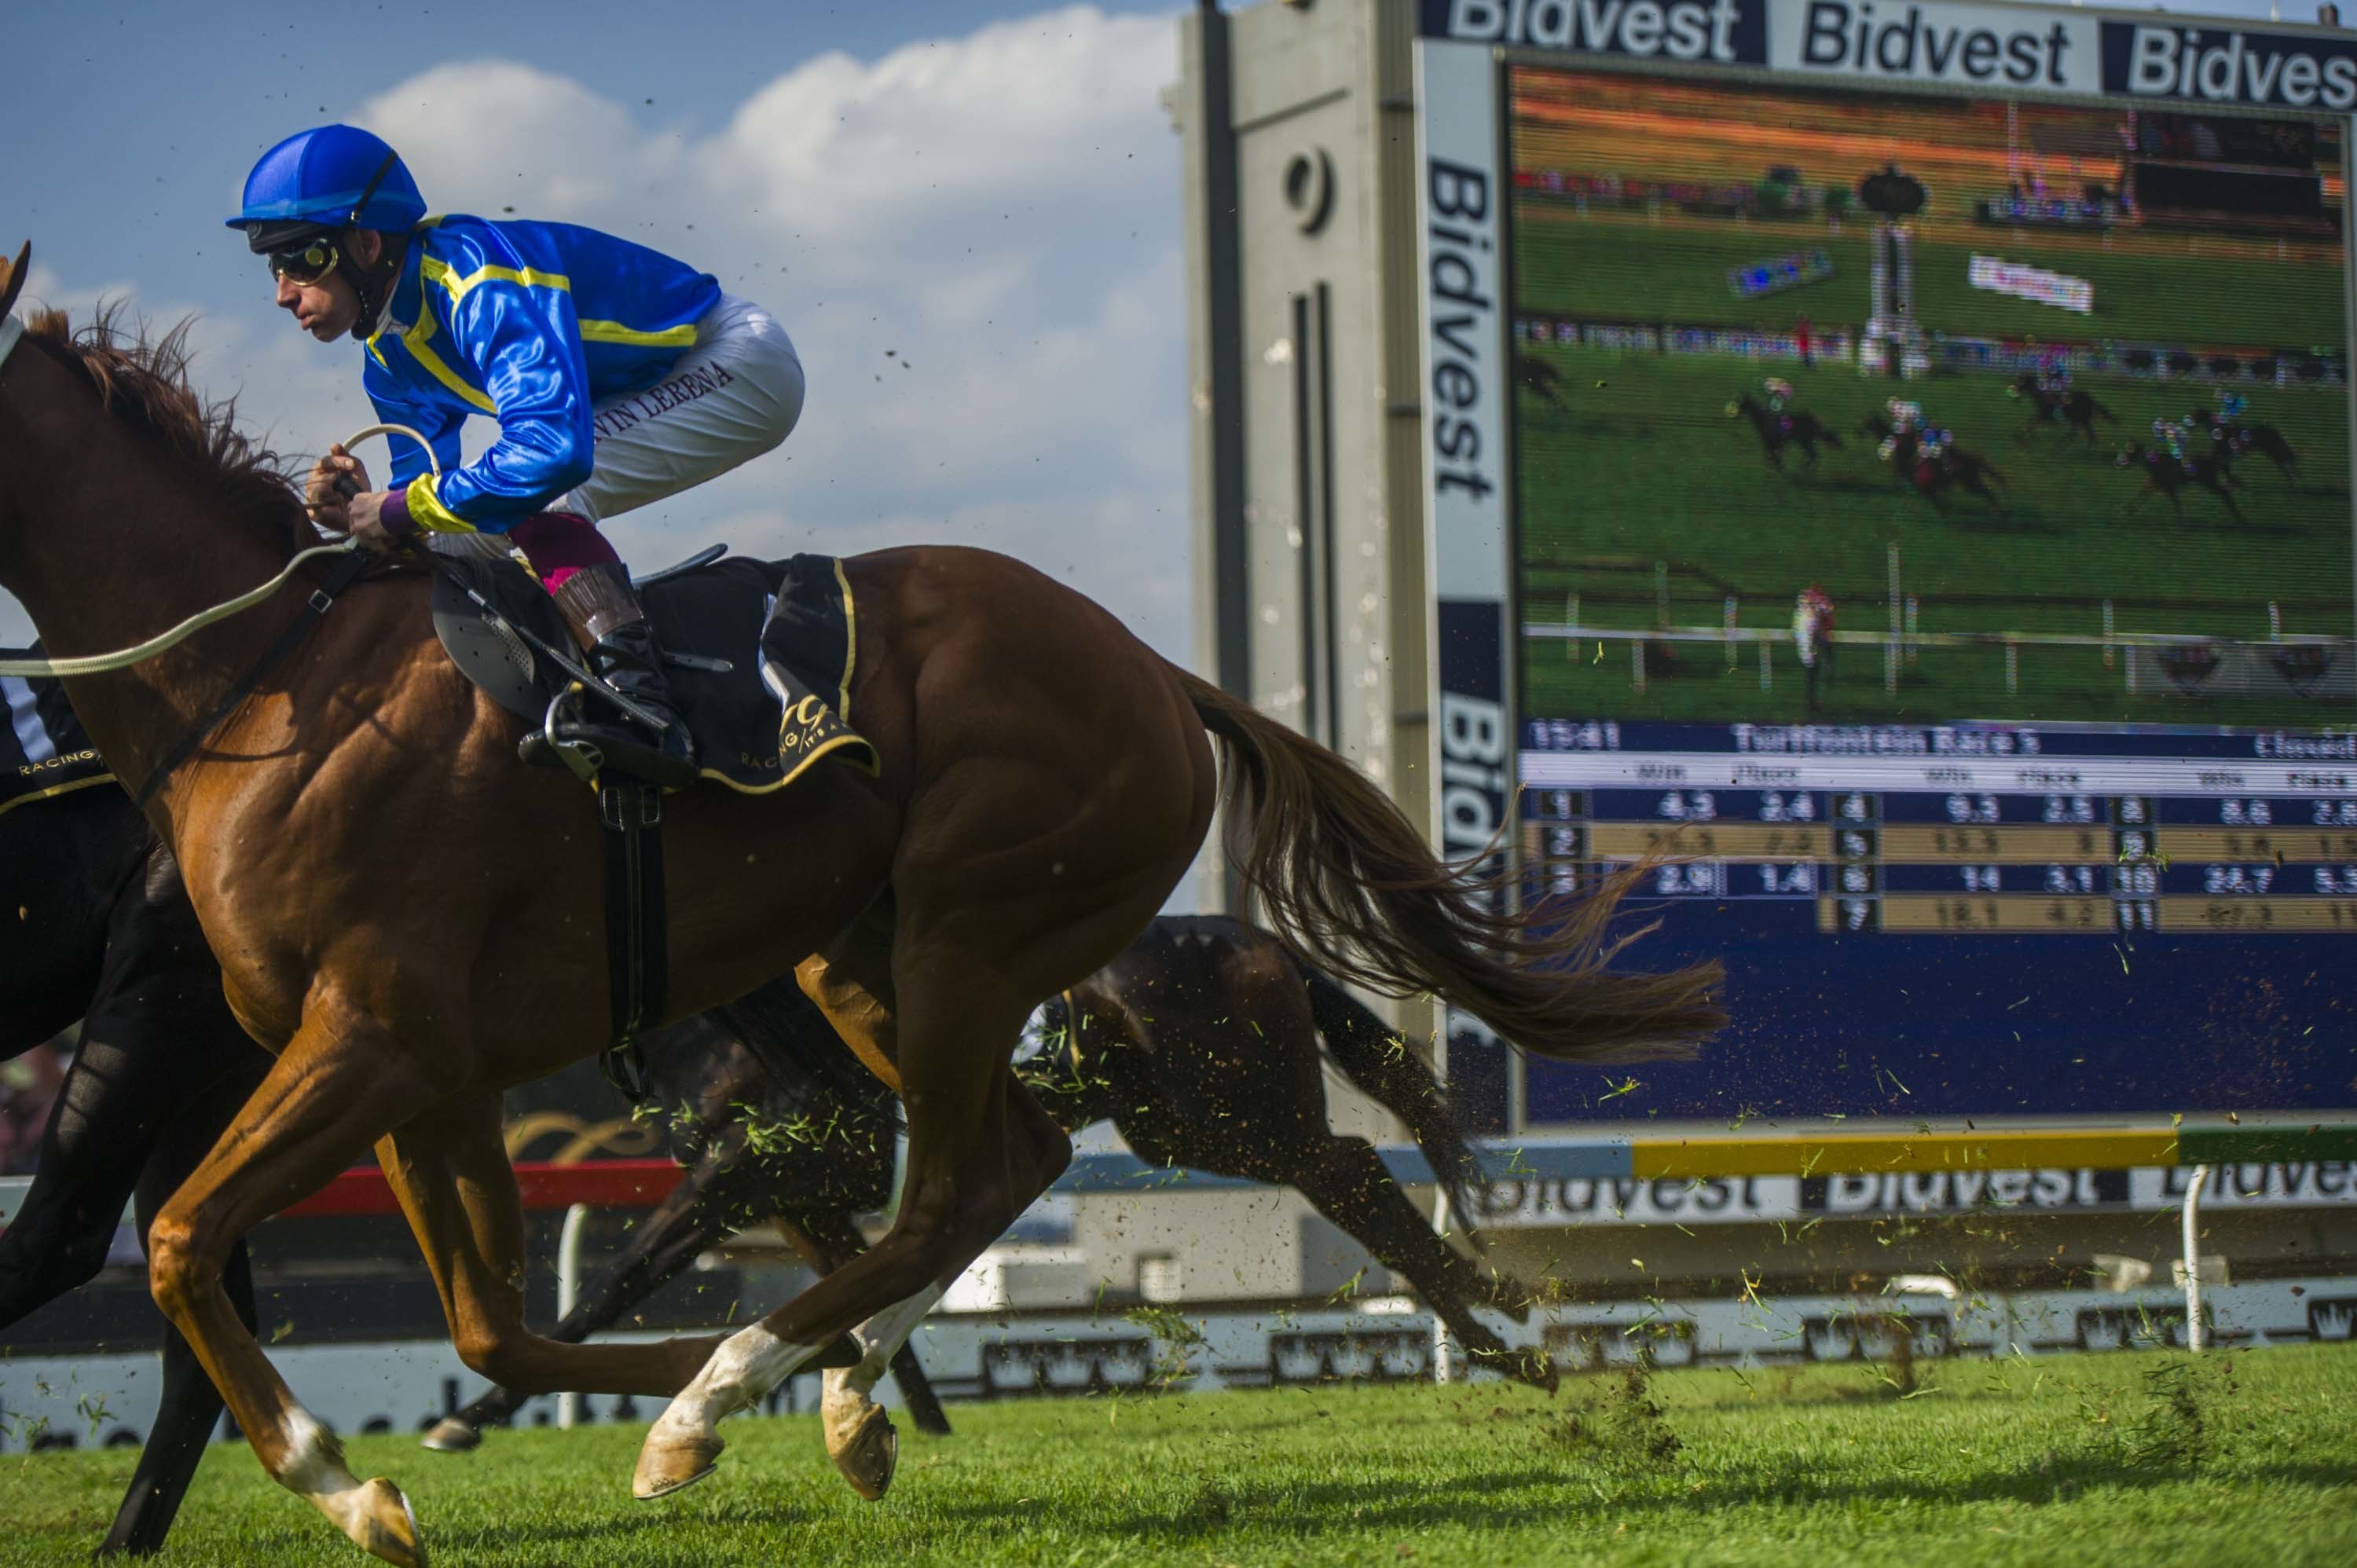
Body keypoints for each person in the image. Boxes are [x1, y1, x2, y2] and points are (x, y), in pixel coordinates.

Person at [225, 125, 807, 786]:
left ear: (365, 244)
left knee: (538, 495)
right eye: (273, 267)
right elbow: (426, 510)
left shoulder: (478, 279)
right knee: (459, 536)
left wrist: (404, 508)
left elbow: (551, 453)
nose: (282, 291)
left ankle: (645, 709)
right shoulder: (387, 354)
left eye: (301, 260)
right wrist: (361, 507)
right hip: (647, 385)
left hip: (735, 361)